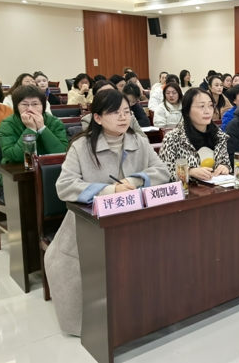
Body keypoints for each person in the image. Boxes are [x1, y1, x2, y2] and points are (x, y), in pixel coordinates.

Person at [45, 89, 169, 337]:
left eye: (126, 111)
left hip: (132, 221)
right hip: (87, 226)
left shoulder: (138, 141)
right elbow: (65, 186)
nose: (123, 117)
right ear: (98, 118)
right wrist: (109, 190)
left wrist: (134, 181)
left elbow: (162, 172)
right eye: (114, 113)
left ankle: (139, 319)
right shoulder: (81, 146)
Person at [159, 88, 231, 182]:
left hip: (216, 188)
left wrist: (225, 167)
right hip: (187, 189)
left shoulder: (219, 135)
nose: (208, 111)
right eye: (201, 106)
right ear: (187, 110)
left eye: (210, 105)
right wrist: (189, 171)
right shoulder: (173, 138)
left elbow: (225, 162)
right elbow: (163, 173)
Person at [0, 84, 67, 165]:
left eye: (35, 104)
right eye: (24, 104)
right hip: (17, 169)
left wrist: (42, 128)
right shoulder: (7, 124)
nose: (30, 109)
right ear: (17, 106)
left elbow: (62, 153)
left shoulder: (55, 122)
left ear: (43, 105)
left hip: (49, 167)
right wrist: (30, 129)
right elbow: (15, 156)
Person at [81, 81, 146, 138]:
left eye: (112, 93)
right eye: (104, 94)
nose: (110, 98)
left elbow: (143, 139)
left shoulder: (129, 116)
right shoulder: (87, 120)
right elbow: (91, 142)